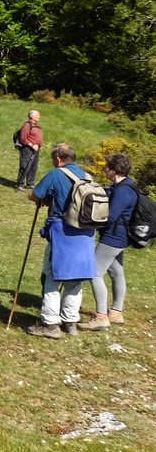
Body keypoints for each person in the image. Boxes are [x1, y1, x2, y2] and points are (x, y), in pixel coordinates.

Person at [26, 144, 98, 339]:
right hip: (86, 234)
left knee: (52, 277)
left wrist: (42, 198)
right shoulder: (87, 177)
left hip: (62, 233)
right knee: (75, 279)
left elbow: (35, 195)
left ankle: (51, 325)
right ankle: (70, 322)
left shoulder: (56, 174)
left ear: (58, 159)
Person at [79, 153, 137, 330]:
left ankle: (101, 317)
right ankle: (116, 313)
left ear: (114, 170)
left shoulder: (122, 190)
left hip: (113, 237)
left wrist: (90, 223)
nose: (104, 169)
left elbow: (111, 216)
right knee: (116, 271)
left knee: (94, 273)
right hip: (121, 236)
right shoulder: (128, 186)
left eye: (107, 167)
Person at [16, 110, 44, 192]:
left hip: (36, 149)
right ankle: (20, 184)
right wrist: (32, 145)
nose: (39, 117)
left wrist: (38, 145)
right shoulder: (27, 125)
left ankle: (30, 183)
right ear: (32, 116)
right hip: (28, 149)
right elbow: (23, 139)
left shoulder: (36, 126)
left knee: (33, 166)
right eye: (37, 115)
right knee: (25, 166)